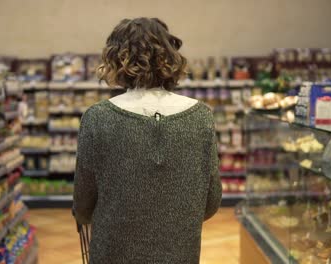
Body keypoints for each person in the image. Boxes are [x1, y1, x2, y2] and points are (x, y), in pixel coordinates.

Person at [72, 17, 222, 264]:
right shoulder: (201, 116)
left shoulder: (97, 118)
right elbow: (211, 202)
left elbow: (83, 205)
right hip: (180, 254)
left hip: (113, 253)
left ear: (115, 60)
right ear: (172, 57)